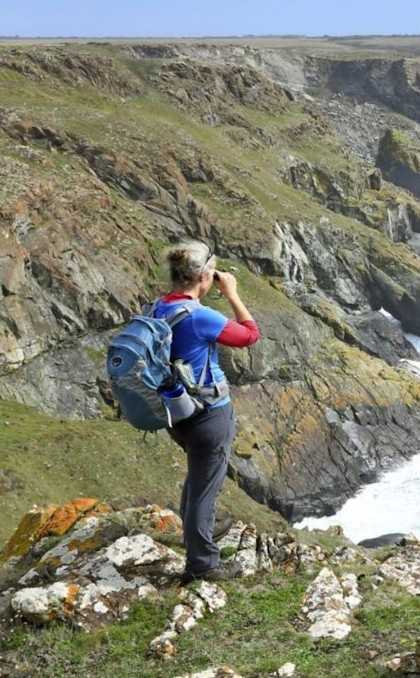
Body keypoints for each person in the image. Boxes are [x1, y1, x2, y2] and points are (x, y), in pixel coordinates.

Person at [153, 241, 261, 584]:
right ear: (204, 276)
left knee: (198, 478)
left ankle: (199, 531)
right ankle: (203, 565)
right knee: (204, 489)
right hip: (209, 413)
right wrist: (232, 294)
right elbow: (249, 335)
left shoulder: (158, 308)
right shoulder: (200, 316)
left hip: (178, 410)